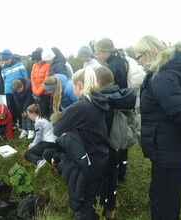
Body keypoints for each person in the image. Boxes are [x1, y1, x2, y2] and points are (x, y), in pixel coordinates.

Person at [134, 35, 181, 220]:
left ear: (150, 53)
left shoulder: (162, 77)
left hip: (170, 152)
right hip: (173, 147)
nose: (138, 63)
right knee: (169, 197)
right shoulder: (170, 71)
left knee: (164, 202)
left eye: (138, 58)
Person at [53, 67, 110, 220]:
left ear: (79, 85)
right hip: (100, 155)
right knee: (92, 196)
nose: (72, 89)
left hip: (88, 160)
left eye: (73, 86)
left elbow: (57, 129)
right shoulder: (99, 100)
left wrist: (69, 132)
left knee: (83, 202)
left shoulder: (80, 107)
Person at [93, 67, 136, 220]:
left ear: (97, 82)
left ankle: (103, 211)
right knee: (113, 176)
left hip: (104, 148)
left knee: (104, 180)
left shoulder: (101, 100)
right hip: (117, 145)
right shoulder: (119, 96)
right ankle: (110, 210)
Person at [95, 38, 130, 182]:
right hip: (121, 103)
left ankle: (115, 174)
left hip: (115, 106)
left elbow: (109, 88)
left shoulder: (113, 66)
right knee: (120, 138)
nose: (98, 55)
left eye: (99, 52)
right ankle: (121, 172)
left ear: (106, 51)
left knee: (115, 139)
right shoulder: (118, 61)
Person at [24, 104, 57, 173]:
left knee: (27, 154)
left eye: (29, 114)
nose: (28, 116)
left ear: (33, 114)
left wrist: (33, 144)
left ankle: (40, 161)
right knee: (33, 147)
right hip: (53, 141)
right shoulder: (44, 118)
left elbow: (38, 136)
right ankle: (43, 158)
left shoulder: (39, 122)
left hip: (48, 143)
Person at [1, 49, 28, 127]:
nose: (6, 61)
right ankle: (14, 123)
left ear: (11, 57)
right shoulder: (3, 68)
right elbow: (4, 79)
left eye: (7, 59)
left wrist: (24, 87)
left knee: (19, 107)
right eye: (4, 60)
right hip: (8, 90)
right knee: (11, 107)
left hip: (18, 90)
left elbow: (25, 77)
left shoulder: (19, 64)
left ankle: (21, 123)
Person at [30, 49, 52, 117]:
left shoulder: (47, 65)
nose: (36, 63)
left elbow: (46, 80)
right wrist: (35, 91)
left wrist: (38, 92)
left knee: (44, 113)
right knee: (37, 112)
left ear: (41, 59)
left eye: (37, 61)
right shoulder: (34, 66)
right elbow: (32, 78)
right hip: (36, 94)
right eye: (35, 61)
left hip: (45, 94)